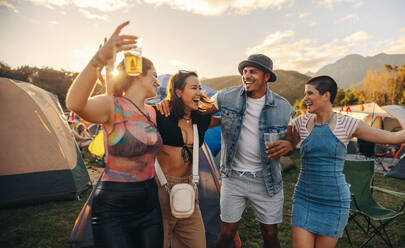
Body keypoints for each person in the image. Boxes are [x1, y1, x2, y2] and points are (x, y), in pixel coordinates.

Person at [66, 21, 163, 248]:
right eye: (154, 75)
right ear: (138, 74)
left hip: (150, 204)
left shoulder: (151, 112)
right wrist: (100, 59)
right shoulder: (111, 107)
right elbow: (74, 103)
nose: (158, 81)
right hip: (114, 206)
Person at [285, 75, 405, 248]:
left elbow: (393, 137)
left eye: (309, 93)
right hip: (304, 198)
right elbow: (288, 145)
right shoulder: (301, 122)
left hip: (334, 201)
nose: (305, 99)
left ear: (326, 95)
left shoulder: (348, 124)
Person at [213, 54, 295, 248]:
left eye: (253, 72)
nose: (246, 75)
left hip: (266, 180)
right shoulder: (225, 96)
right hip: (234, 177)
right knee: (227, 232)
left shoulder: (283, 107)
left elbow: (291, 138)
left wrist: (289, 146)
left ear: (266, 76)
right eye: (245, 71)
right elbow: (201, 111)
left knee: (270, 233)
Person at [153, 70, 220, 248]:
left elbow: (223, 116)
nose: (199, 91)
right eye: (193, 87)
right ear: (178, 92)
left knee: (198, 243)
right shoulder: (161, 115)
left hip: (190, 188)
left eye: (200, 87)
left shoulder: (201, 119)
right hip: (161, 190)